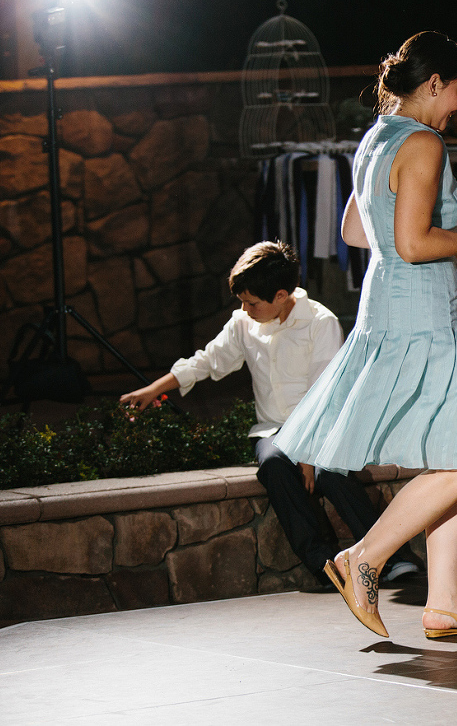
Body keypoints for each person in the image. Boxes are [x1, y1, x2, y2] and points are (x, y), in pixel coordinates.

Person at [274, 31, 457, 640]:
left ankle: (443, 603)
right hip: (422, 319)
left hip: (389, 309)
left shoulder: (376, 137)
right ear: (434, 83)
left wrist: (433, 239)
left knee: (451, 453)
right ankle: (365, 558)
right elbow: (413, 245)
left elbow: (361, 233)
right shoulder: (424, 143)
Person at [120, 241, 419, 587]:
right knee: (274, 464)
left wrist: (308, 455)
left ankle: (393, 557)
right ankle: (325, 566)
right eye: (242, 302)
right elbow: (207, 361)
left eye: (251, 302)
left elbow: (324, 394)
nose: (245, 309)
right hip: (274, 431)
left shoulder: (320, 323)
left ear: (280, 295)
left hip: (323, 428)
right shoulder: (243, 324)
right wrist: (154, 389)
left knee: (331, 473)